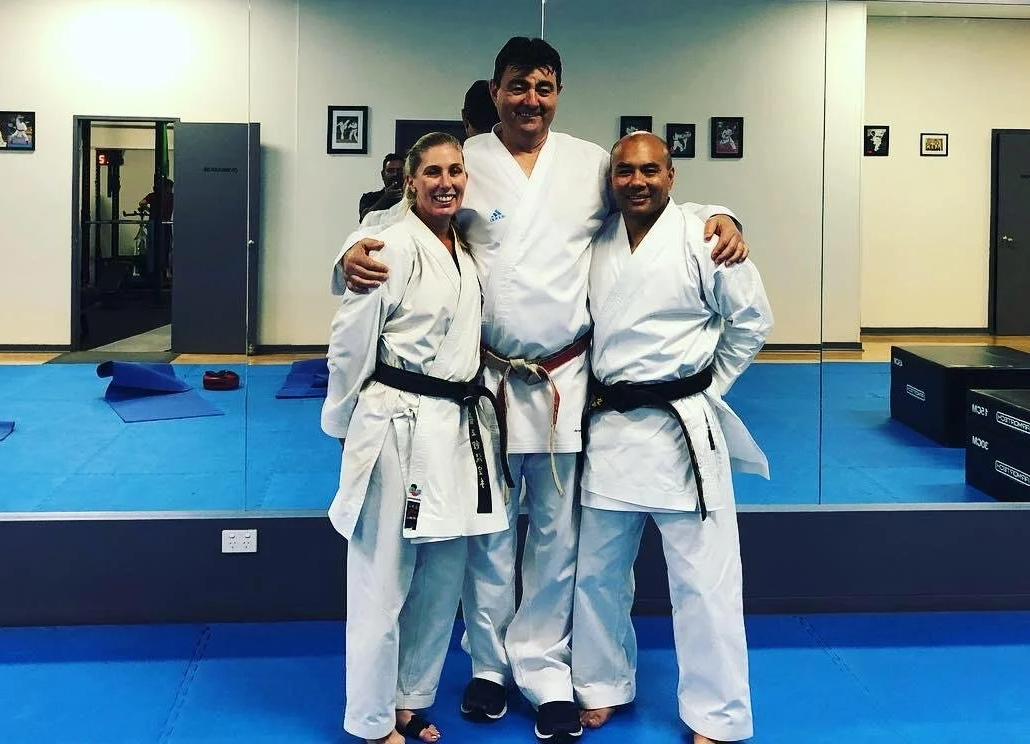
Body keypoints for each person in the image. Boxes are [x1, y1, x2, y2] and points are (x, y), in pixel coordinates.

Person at [339, 37, 747, 743]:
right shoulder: (469, 161)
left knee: (558, 534)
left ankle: (545, 669)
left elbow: (651, 197)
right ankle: (489, 666)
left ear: (558, 92)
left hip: (565, 377)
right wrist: (345, 253)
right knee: (488, 531)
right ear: (494, 90)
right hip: (483, 381)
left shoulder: (589, 164)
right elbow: (391, 220)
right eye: (517, 86)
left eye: (544, 86)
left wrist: (724, 215)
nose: (531, 99)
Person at [572, 132, 772, 744]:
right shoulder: (597, 241)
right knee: (597, 572)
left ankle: (716, 713)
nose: (637, 181)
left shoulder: (704, 237)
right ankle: (601, 685)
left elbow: (752, 322)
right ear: (612, 179)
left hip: (683, 429)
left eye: (650, 170)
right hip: (611, 427)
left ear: (671, 175)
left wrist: (705, 387)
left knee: (705, 579)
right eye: (625, 172)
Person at [323, 133, 512, 744]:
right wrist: (346, 424)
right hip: (396, 423)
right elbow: (350, 343)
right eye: (432, 172)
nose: (446, 182)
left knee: (442, 574)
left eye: (455, 171)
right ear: (410, 181)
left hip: (455, 424)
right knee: (382, 578)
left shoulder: (464, 247)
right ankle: (371, 719)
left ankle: (410, 699)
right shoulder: (388, 245)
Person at [360, 154, 405, 221]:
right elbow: (365, 219)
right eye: (390, 171)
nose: (395, 174)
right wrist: (385, 199)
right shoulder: (369, 198)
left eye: (400, 170)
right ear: (382, 175)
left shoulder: (414, 198)